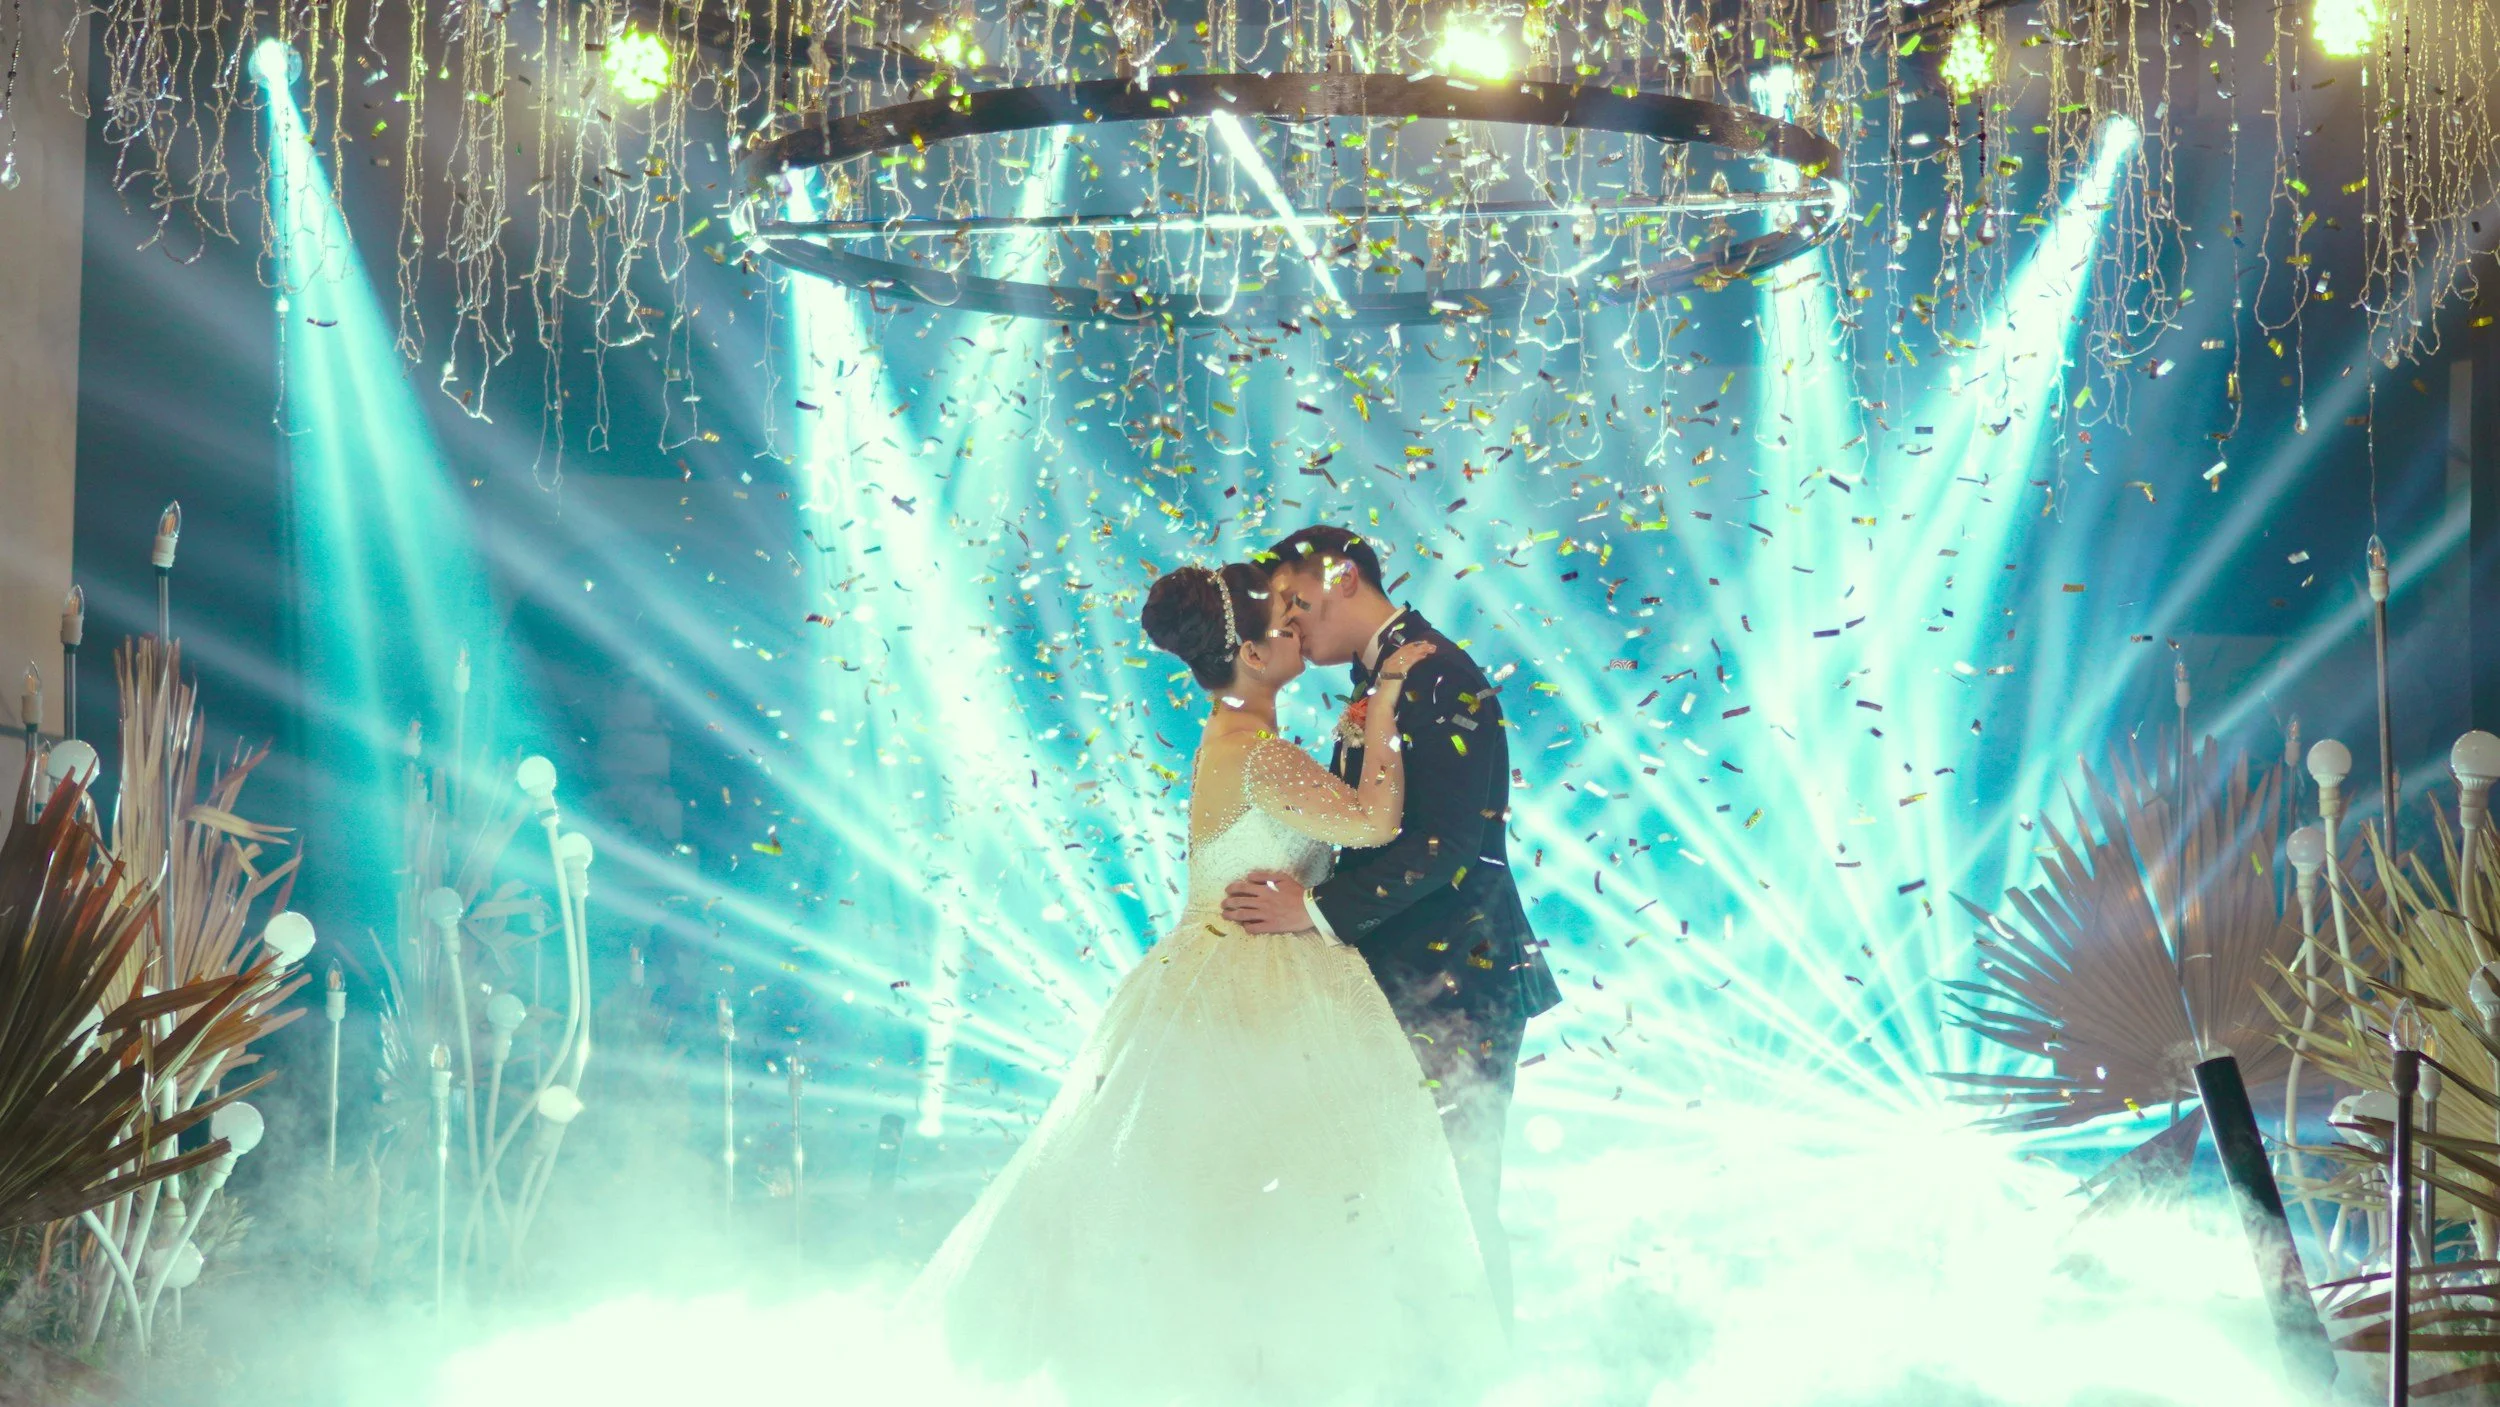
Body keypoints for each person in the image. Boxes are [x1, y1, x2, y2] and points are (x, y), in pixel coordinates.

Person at [906, 561, 1503, 1405]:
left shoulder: (1229, 739)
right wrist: (1386, 711)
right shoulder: (1261, 756)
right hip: (1260, 984)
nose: (1303, 631)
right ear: (1254, 656)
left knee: (1238, 1202)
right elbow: (1374, 820)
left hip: (1213, 969)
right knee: (1285, 1199)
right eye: (1287, 624)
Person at [1222, 525, 1562, 1327]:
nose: (1289, 622)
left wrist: (1312, 909)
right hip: (1402, 978)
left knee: (1456, 1195)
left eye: (1296, 601)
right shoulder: (1384, 677)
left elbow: (1449, 842)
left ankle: (1485, 1369)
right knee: (1403, 1201)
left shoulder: (1437, 674)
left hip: (1458, 982)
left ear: (1342, 576)